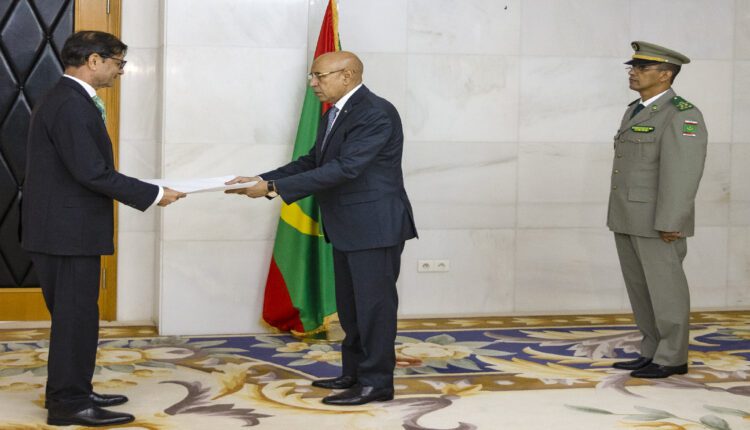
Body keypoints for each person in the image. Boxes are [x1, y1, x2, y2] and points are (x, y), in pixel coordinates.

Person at [226, 51, 417, 405]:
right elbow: (313, 161)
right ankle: (354, 373)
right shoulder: (335, 112)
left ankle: (377, 383)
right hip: (348, 226)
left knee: (374, 309)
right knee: (351, 308)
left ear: (348, 75)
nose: (313, 83)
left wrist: (273, 188)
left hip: (375, 227)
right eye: (311, 76)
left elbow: (346, 167)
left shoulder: (375, 112)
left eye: (319, 76)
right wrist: (261, 179)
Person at [22, 31, 185, 426]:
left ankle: (72, 390)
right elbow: (92, 172)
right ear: (94, 61)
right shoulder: (70, 104)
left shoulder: (65, 98)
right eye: (118, 63)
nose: (121, 71)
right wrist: (153, 193)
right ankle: (68, 404)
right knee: (75, 320)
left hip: (62, 232)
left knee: (76, 318)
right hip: (66, 235)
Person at [607, 41, 707, 379]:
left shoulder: (681, 114)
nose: (633, 72)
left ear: (665, 75)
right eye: (632, 67)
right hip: (629, 216)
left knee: (666, 291)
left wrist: (671, 221)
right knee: (641, 291)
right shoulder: (635, 110)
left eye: (642, 68)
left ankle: (672, 357)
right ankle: (651, 351)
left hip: (659, 220)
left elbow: (683, 174)